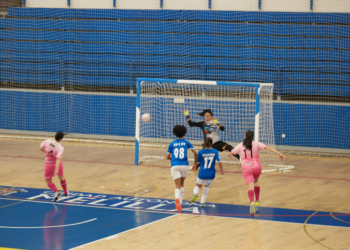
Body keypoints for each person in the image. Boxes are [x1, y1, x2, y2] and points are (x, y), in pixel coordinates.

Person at [229, 130, 285, 215]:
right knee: (256, 181)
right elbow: (269, 148)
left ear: (245, 136)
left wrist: (230, 153)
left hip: (246, 167)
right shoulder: (256, 144)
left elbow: (233, 152)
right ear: (253, 137)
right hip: (257, 167)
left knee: (250, 185)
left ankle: (252, 202)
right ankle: (257, 201)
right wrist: (279, 154)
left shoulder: (240, 145)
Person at [167, 125, 197, 212]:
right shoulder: (187, 143)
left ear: (174, 133)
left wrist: (173, 159)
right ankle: (180, 202)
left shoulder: (172, 144)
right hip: (185, 165)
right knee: (182, 184)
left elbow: (167, 156)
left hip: (175, 165)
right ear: (184, 132)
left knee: (177, 185)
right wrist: (195, 164)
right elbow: (195, 153)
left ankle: (177, 199)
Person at [190, 137, 223, 207]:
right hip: (211, 173)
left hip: (202, 172)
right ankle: (202, 202)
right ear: (212, 144)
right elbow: (219, 162)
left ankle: (195, 193)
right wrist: (221, 170)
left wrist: (195, 166)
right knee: (206, 186)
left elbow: (198, 163)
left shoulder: (200, 152)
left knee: (197, 186)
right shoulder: (215, 151)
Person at [40, 131, 69, 201]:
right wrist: (56, 168)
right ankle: (65, 192)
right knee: (61, 177)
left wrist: (47, 153)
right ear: (61, 139)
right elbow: (59, 158)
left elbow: (41, 148)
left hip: (49, 163)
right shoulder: (60, 147)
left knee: (48, 180)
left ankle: (56, 191)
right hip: (57, 164)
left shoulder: (48, 141)